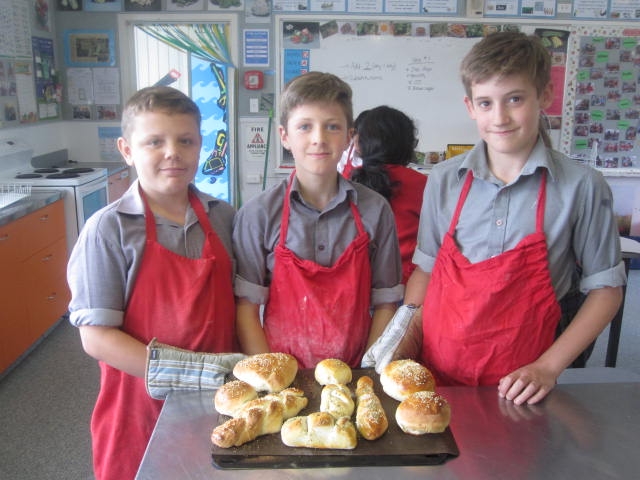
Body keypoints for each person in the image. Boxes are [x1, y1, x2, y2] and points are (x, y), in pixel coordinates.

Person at [395, 31, 625, 405]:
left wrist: (548, 367)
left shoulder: (581, 186)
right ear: (470, 106)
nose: (499, 117)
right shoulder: (444, 180)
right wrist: (402, 338)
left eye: (515, 99)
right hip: (439, 369)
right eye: (485, 103)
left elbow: (606, 291)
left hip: (522, 385)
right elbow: (427, 270)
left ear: (545, 96)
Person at [66, 86, 244, 480]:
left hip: (221, 403)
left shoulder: (224, 218)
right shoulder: (107, 230)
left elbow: (242, 307)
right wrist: (193, 371)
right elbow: (96, 337)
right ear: (126, 150)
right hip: (139, 411)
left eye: (185, 141)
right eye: (154, 142)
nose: (172, 153)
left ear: (200, 146)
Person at [232, 72, 403, 369]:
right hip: (281, 374)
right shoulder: (258, 214)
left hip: (355, 371)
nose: (319, 139)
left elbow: (386, 304)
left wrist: (365, 373)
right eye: (305, 126)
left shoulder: (376, 210)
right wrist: (273, 378)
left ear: (349, 137)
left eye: (332, 126)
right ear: (284, 136)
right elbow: (246, 308)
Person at [349, 106, 428, 284]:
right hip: (407, 284)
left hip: (359, 282)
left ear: (359, 145)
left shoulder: (347, 182)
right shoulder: (423, 185)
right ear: (409, 145)